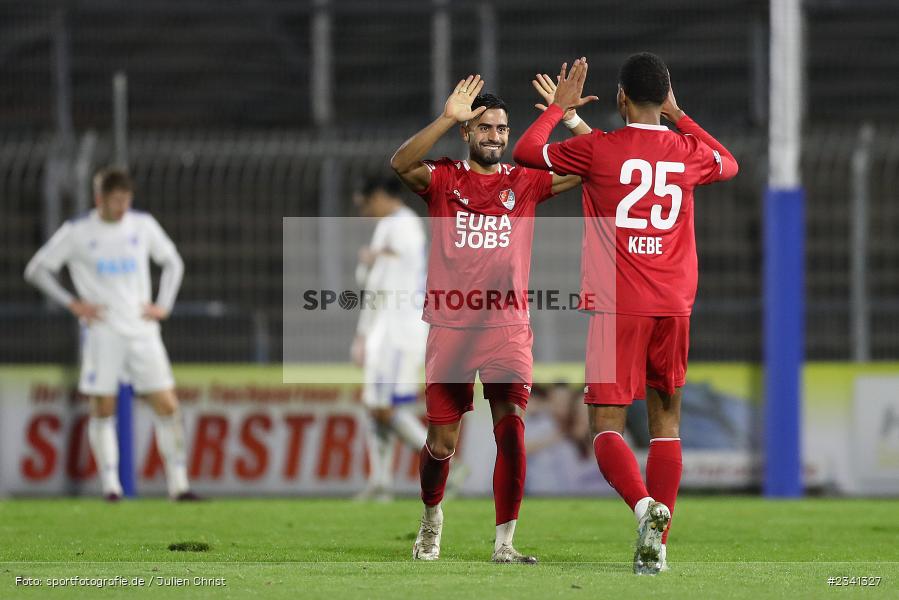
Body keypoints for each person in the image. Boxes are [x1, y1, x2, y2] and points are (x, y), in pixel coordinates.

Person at [513, 53, 738, 574]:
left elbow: (527, 152)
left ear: (619, 98)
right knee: (666, 424)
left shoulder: (600, 149)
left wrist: (560, 111)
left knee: (607, 427)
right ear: (666, 96)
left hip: (618, 306)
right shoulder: (686, 152)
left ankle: (644, 510)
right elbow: (729, 162)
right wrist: (680, 116)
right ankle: (658, 549)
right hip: (675, 307)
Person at [390, 73, 592, 563]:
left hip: (507, 329)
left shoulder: (523, 183)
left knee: (512, 432)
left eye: (502, 129)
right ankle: (431, 517)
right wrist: (444, 118)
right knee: (441, 443)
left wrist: (570, 119)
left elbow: (595, 166)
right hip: (451, 328)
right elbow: (400, 164)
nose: (495, 136)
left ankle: (505, 544)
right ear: (467, 133)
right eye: (485, 128)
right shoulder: (442, 180)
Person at [24, 167, 198, 501]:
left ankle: (179, 486)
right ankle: (111, 487)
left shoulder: (142, 225)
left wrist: (163, 305)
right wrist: (73, 303)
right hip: (103, 331)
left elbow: (173, 261)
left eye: (126, 199)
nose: (121, 206)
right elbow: (37, 269)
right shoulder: (77, 232)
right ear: (99, 199)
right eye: (115, 200)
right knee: (103, 406)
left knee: (167, 404)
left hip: (142, 330)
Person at [351, 175, 430, 501]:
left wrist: (373, 261)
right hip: (387, 328)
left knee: (383, 408)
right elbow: (371, 280)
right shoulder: (392, 227)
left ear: (381, 196)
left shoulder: (403, 226)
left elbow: (382, 280)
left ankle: (443, 464)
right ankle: (380, 483)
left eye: (366, 204)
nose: (365, 213)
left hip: (399, 329)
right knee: (375, 406)